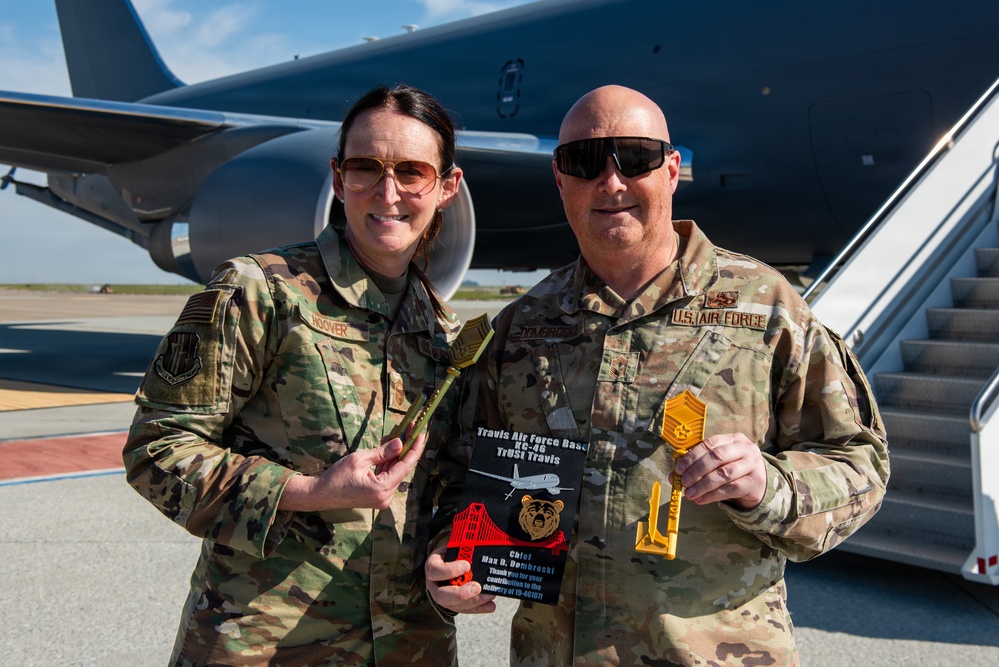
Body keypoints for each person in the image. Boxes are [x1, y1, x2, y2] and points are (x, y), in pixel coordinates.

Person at [426, 85, 890, 666]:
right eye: (585, 162)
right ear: (559, 178)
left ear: (671, 170)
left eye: (636, 158)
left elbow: (860, 464)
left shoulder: (765, 309)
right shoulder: (523, 328)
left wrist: (768, 484)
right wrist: (456, 552)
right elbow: (461, 472)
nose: (612, 182)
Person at [124, 83, 469, 666]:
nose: (388, 191)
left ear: (445, 187)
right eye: (366, 168)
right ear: (338, 179)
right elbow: (156, 448)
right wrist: (308, 492)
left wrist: (454, 556)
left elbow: (448, 487)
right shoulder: (261, 292)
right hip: (264, 643)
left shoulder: (445, 333)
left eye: (412, 171)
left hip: (410, 645)